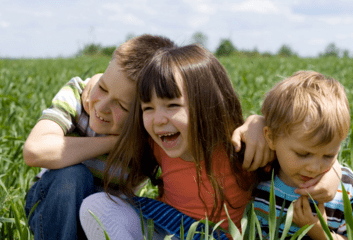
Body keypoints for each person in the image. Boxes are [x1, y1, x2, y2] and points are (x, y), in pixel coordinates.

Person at [23, 34, 274, 240]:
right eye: (102, 87)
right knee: (81, 186)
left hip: (190, 232)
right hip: (58, 211)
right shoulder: (84, 98)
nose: (100, 106)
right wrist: (99, 91)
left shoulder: (164, 135)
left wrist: (258, 123)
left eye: (122, 105)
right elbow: (35, 150)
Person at [79, 47, 342, 240]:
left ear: (206, 104)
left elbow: (305, 152)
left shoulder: (242, 148)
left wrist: (332, 173)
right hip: (167, 225)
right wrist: (92, 86)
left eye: (172, 105)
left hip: (216, 236)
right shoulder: (156, 144)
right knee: (95, 206)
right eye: (148, 108)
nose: (158, 119)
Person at [253, 71, 353, 239]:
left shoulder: (346, 189)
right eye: (303, 154)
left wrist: (320, 232)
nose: (314, 168)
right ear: (271, 137)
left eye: (328, 156)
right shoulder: (260, 179)